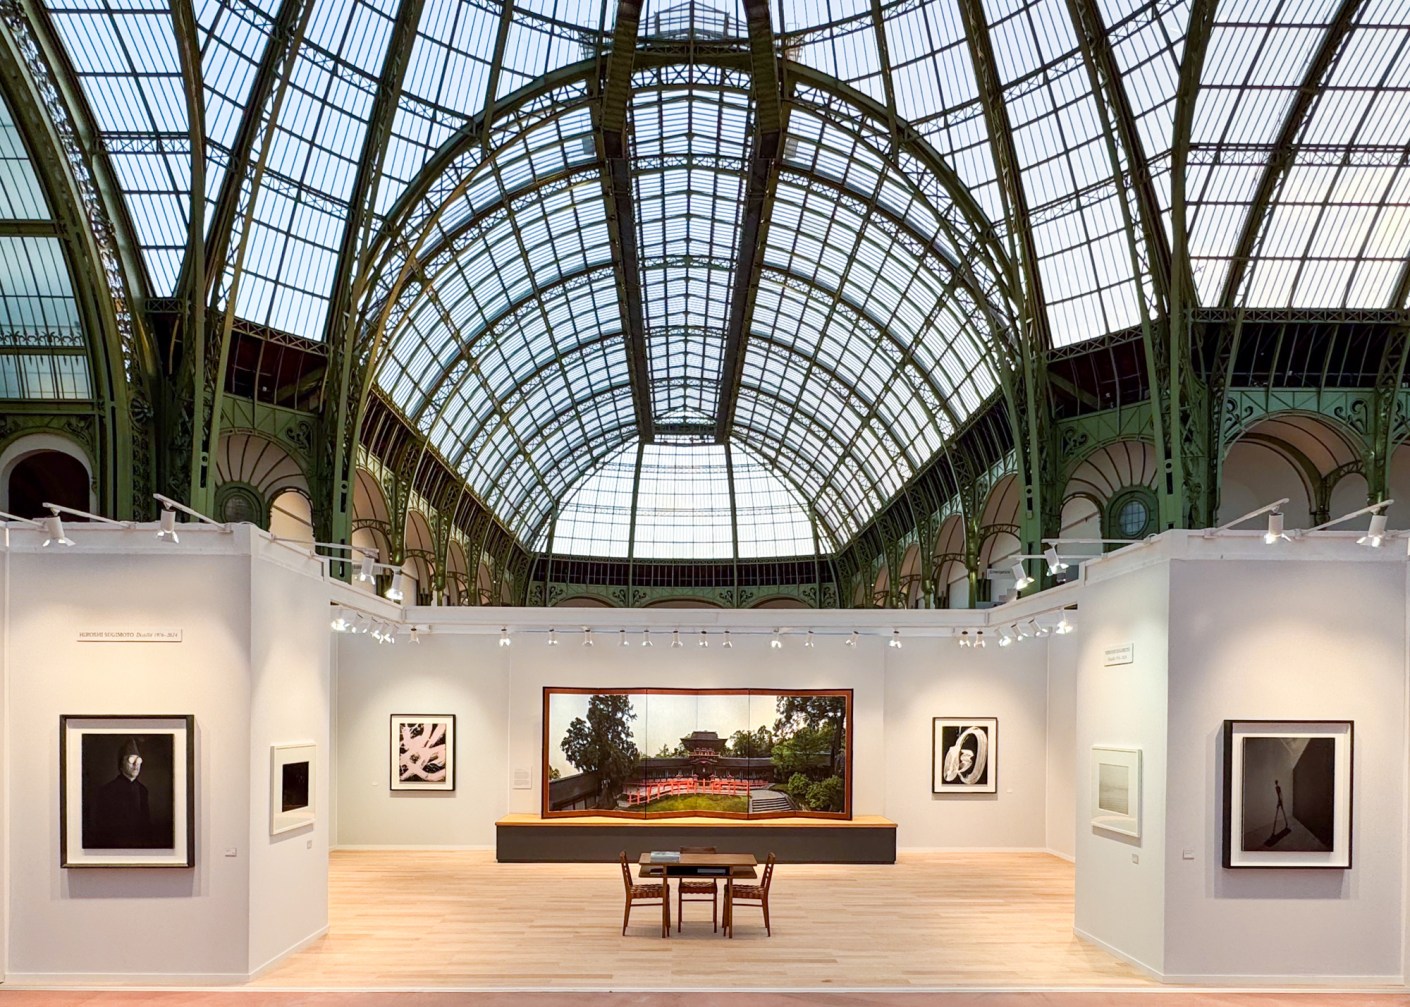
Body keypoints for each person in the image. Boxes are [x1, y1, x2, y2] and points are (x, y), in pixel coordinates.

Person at [85, 737, 154, 849]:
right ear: (121, 763)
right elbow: (101, 829)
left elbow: (146, 826)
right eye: (131, 760)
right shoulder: (107, 791)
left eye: (138, 760)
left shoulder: (143, 791)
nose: (136, 764)